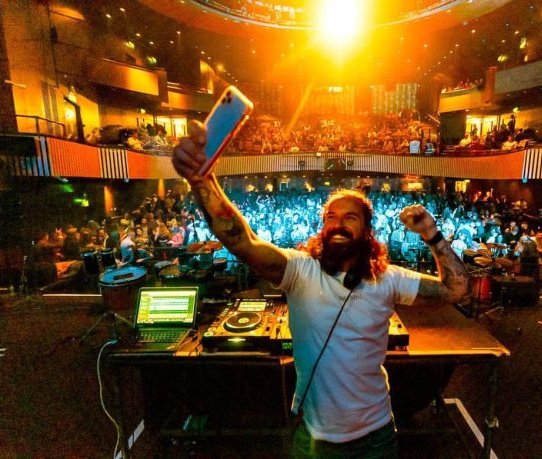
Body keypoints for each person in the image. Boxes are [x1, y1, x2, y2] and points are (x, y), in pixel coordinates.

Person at [172, 121, 469, 458]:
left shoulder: (389, 279)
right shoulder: (300, 270)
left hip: (375, 437)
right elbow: (242, 241)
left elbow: (455, 289)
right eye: (331, 217)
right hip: (312, 436)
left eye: (350, 218)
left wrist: (431, 233)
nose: (338, 223)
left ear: (367, 231)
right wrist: (201, 180)